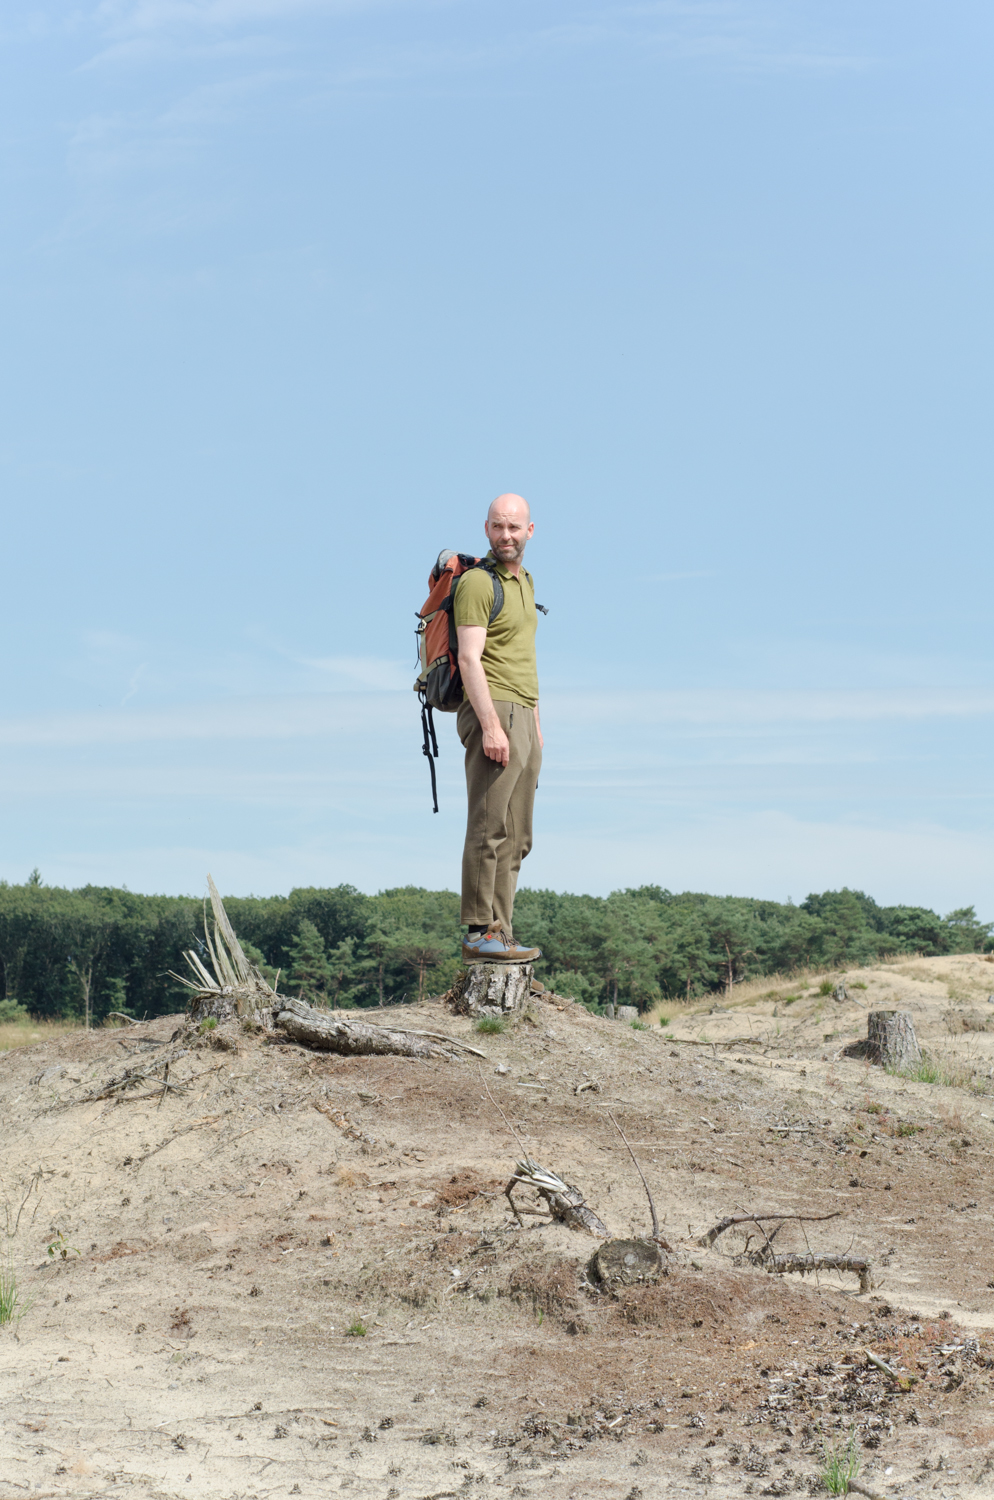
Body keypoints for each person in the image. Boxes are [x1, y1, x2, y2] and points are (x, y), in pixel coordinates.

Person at [455, 493, 544, 964]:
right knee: (488, 827)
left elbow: (523, 657)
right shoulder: (476, 583)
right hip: (495, 710)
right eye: (497, 527)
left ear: (531, 531)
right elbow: (470, 658)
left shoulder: (525, 581)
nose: (506, 535)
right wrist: (491, 725)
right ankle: (477, 933)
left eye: (514, 527)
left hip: (523, 713)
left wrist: (536, 723)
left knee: (517, 834)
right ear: (486, 529)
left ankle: (501, 935)